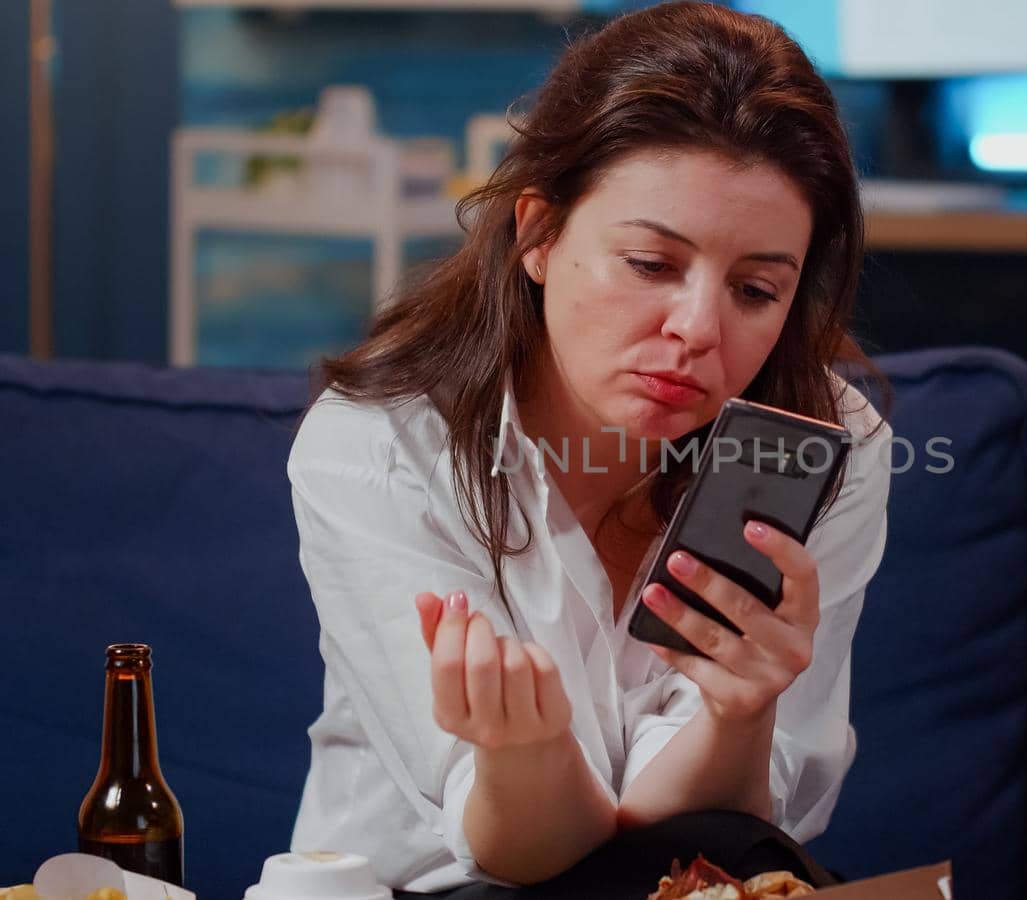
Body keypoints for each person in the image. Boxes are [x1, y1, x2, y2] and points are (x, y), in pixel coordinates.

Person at [285, 2, 893, 896]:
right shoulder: (379, 443)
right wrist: (522, 756)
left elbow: (708, 847)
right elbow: (514, 856)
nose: (696, 330)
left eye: (756, 289)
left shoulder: (827, 450)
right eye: (651, 265)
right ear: (537, 234)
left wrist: (740, 711)